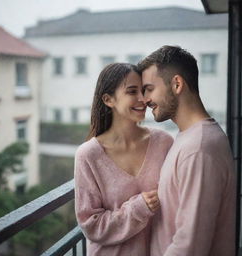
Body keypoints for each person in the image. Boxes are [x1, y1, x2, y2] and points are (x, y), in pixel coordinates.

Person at [138, 45, 236, 256]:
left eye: (149, 89)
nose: (145, 100)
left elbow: (190, 247)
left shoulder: (199, 148)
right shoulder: (190, 137)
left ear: (176, 84)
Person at [74, 63, 173, 256]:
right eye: (132, 91)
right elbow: (91, 225)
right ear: (108, 99)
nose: (143, 99)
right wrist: (138, 209)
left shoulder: (164, 143)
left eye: (143, 90)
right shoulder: (88, 155)